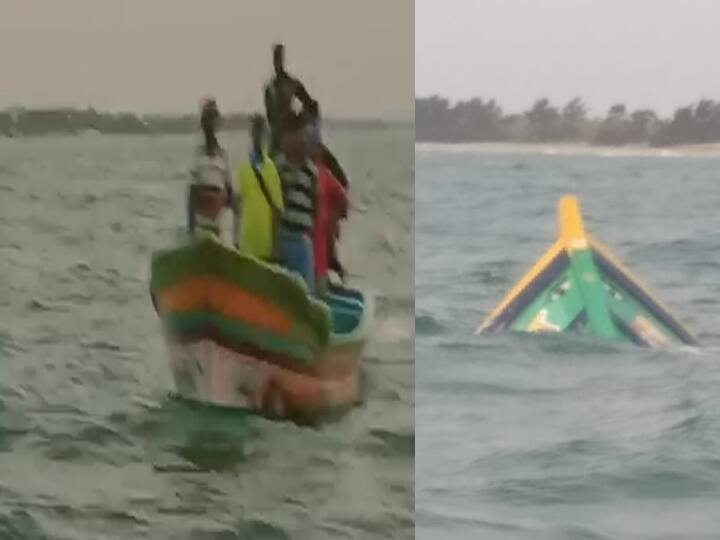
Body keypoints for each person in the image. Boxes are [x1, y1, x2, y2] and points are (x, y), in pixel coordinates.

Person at [274, 113, 317, 291]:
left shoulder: (311, 171)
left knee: (305, 291)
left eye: (306, 137)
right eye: (301, 135)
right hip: (284, 238)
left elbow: (314, 206)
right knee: (284, 291)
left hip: (302, 241)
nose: (304, 140)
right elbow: (275, 206)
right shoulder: (279, 166)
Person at [234, 114, 284, 260]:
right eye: (255, 130)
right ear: (251, 133)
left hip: (266, 244)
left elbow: (277, 210)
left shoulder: (271, 168)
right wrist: (235, 240)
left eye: (260, 130)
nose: (257, 135)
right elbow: (237, 207)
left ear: (265, 134)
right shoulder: (243, 167)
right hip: (247, 244)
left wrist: (276, 245)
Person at [188, 98, 234, 240]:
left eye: (212, 119)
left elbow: (230, 194)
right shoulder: (197, 155)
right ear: (202, 123)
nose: (209, 124)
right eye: (206, 119)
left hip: (219, 225)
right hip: (201, 225)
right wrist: (190, 228)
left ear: (216, 123)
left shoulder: (223, 155)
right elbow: (191, 195)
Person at [264, 43, 314, 154]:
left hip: (292, 136)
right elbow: (269, 117)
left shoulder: (292, 84)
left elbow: (311, 106)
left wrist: (299, 119)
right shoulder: (269, 88)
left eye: (279, 58)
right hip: (276, 139)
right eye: (275, 58)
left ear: (283, 60)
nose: (277, 62)